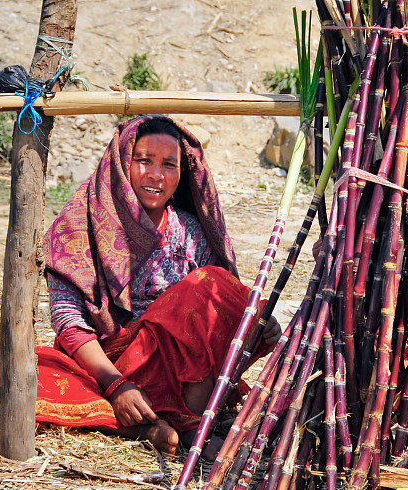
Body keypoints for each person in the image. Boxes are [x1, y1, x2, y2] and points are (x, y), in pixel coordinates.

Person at [35, 115, 281, 455]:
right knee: (28, 373)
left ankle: (190, 423)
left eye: (169, 165)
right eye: (143, 160)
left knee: (210, 285)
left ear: (181, 175)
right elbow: (68, 321)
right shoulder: (83, 224)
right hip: (114, 366)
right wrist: (117, 385)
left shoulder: (189, 231)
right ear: (122, 164)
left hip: (182, 377)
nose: (155, 175)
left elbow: (220, 299)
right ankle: (144, 423)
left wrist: (259, 319)